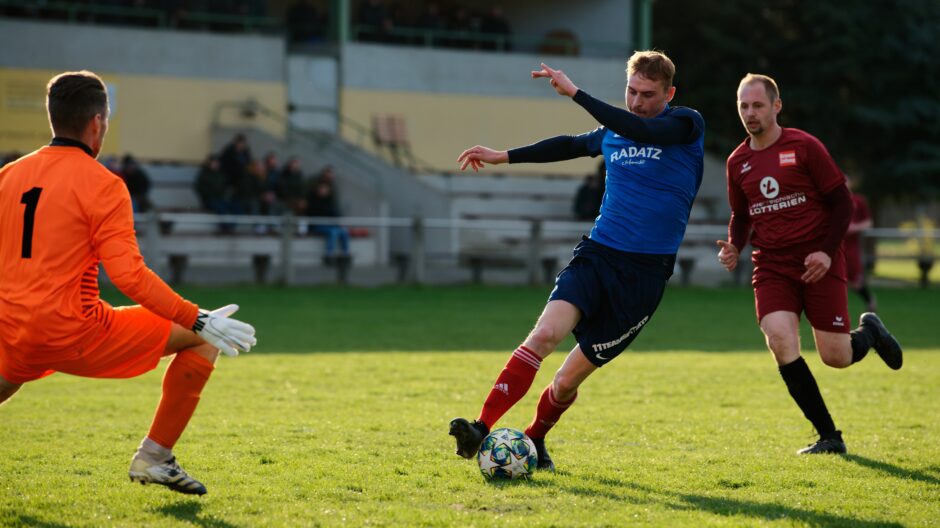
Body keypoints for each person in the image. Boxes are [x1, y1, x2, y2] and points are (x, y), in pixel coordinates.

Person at [0, 71, 257, 495]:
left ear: (53, 118)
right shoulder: (103, 184)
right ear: (98, 123)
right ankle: (154, 458)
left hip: (13, 326)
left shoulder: (9, 175)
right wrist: (196, 318)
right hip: (71, 329)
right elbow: (129, 276)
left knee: (11, 374)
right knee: (201, 340)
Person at [450, 51, 705, 470]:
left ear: (669, 93)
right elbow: (569, 144)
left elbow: (638, 127)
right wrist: (503, 155)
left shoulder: (685, 125)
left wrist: (575, 93)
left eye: (648, 94)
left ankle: (534, 439)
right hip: (597, 256)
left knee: (566, 381)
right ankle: (481, 426)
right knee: (544, 335)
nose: (637, 101)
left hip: (643, 276)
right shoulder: (613, 132)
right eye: (631, 91)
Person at [716, 73, 902, 455]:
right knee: (780, 340)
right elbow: (741, 214)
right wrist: (734, 246)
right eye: (743, 106)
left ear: (776, 106)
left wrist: (825, 250)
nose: (750, 113)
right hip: (770, 266)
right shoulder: (738, 161)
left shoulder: (804, 146)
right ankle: (829, 437)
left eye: (757, 105)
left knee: (836, 357)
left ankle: (870, 332)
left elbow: (842, 203)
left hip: (819, 261)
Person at [306, 165, 350, 262]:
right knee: (333, 232)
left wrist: (339, 223)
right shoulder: (313, 200)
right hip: (317, 224)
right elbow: (314, 214)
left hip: (329, 224)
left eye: (325, 189)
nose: (324, 191)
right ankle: (328, 255)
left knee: (344, 231)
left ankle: (345, 255)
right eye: (322, 189)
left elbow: (334, 212)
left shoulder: (329, 200)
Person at [845, 179, 877, 312]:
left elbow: (869, 222)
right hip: (834, 247)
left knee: (856, 282)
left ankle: (870, 301)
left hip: (851, 247)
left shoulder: (858, 200)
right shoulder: (830, 201)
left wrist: (854, 227)